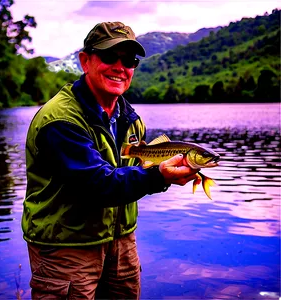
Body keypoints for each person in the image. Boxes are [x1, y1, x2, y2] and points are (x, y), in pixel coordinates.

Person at [22, 21, 200, 299]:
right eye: (108, 56)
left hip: (122, 242)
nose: (120, 67)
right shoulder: (59, 120)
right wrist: (159, 177)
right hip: (66, 248)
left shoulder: (132, 120)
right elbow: (96, 183)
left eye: (129, 60)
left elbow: (136, 175)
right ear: (85, 61)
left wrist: (166, 173)